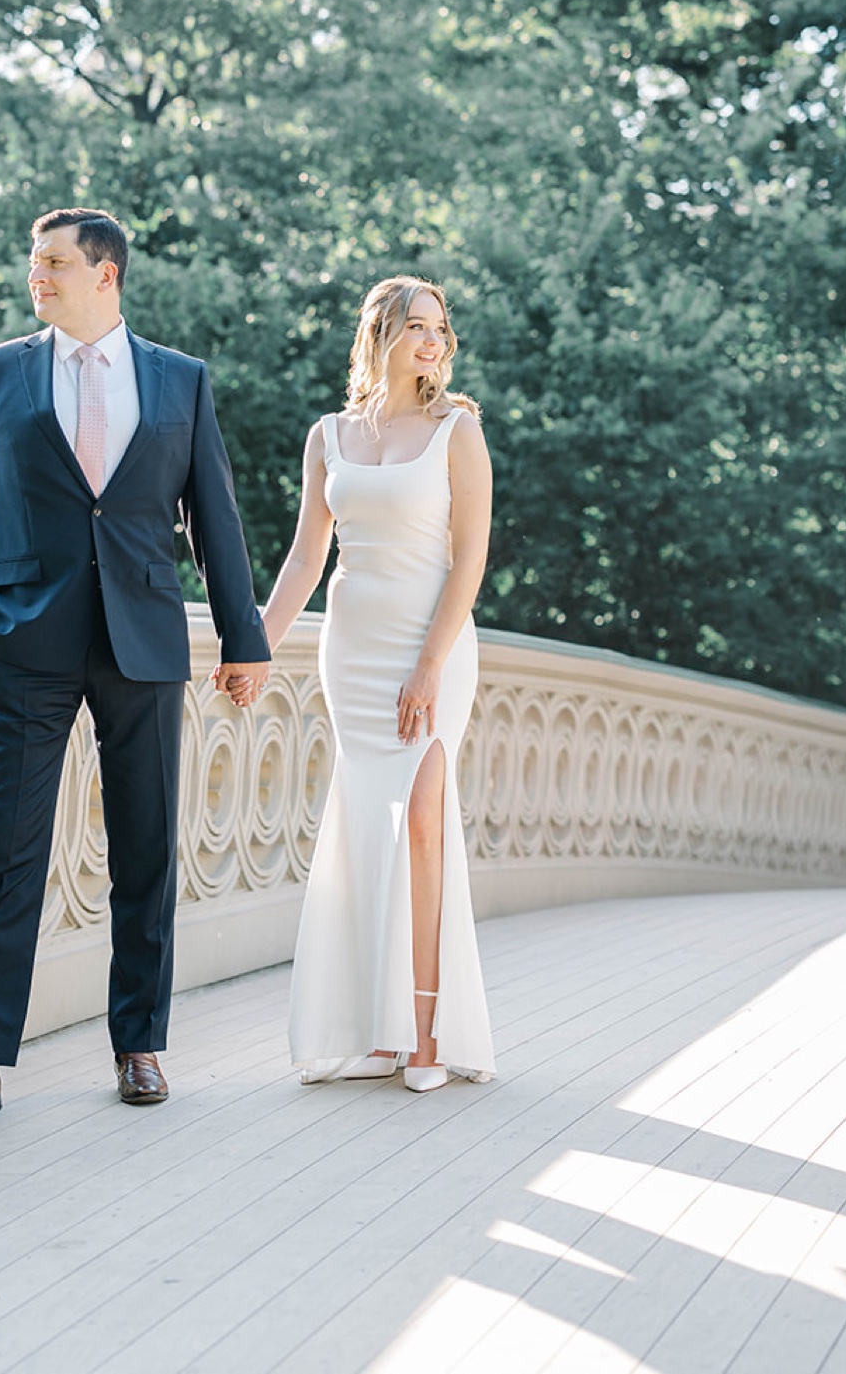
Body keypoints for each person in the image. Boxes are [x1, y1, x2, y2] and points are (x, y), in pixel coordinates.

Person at [0, 207, 270, 1129]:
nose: (37, 276)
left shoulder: (180, 381)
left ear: (105, 274)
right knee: (4, 855)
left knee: (147, 849)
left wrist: (245, 638)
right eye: (35, 263)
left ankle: (140, 1046)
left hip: (145, 643)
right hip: (25, 645)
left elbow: (215, 519)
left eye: (54, 263)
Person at [253, 276, 495, 1090]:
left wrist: (429, 663)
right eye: (417, 326)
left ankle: (426, 1036)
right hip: (351, 649)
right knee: (365, 831)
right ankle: (377, 1036)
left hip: (433, 645)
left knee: (422, 824)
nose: (434, 342)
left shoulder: (456, 430)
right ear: (380, 333)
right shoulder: (328, 436)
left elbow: (471, 559)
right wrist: (255, 648)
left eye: (440, 328)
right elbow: (303, 558)